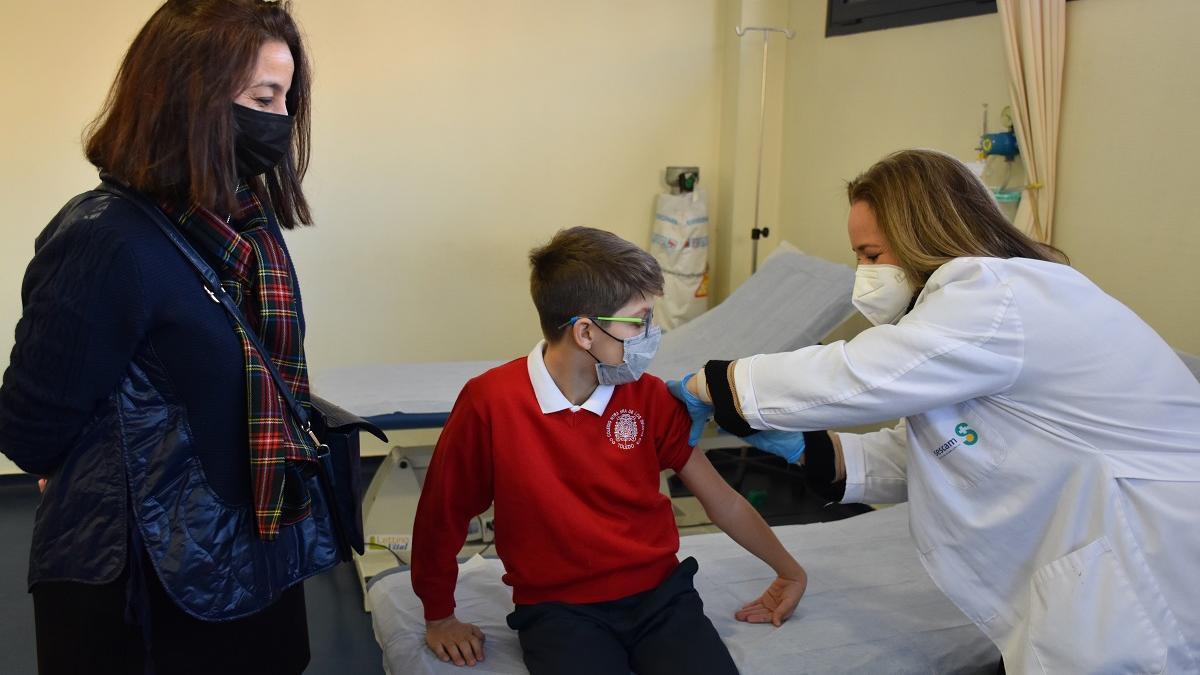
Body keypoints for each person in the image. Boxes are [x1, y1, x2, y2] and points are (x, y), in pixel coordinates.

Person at [670, 148, 1200, 673]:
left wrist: (711, 384)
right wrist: (807, 447)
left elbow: (858, 373)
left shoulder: (997, 295)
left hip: (1149, 560)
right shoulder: (967, 334)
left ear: (922, 236)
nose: (863, 275)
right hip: (1092, 572)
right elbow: (933, 447)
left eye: (872, 256)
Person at [0, 2, 333, 672]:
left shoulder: (242, 227)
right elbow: (31, 428)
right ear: (189, 97)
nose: (279, 120)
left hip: (251, 546)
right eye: (263, 97)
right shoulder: (107, 238)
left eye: (286, 99)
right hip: (148, 586)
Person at [411, 227, 807, 674]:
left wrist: (789, 570)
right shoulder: (491, 403)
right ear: (585, 332)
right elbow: (442, 513)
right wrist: (439, 614)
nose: (652, 334)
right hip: (559, 609)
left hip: (660, 596)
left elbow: (724, 501)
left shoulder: (650, 397)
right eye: (640, 320)